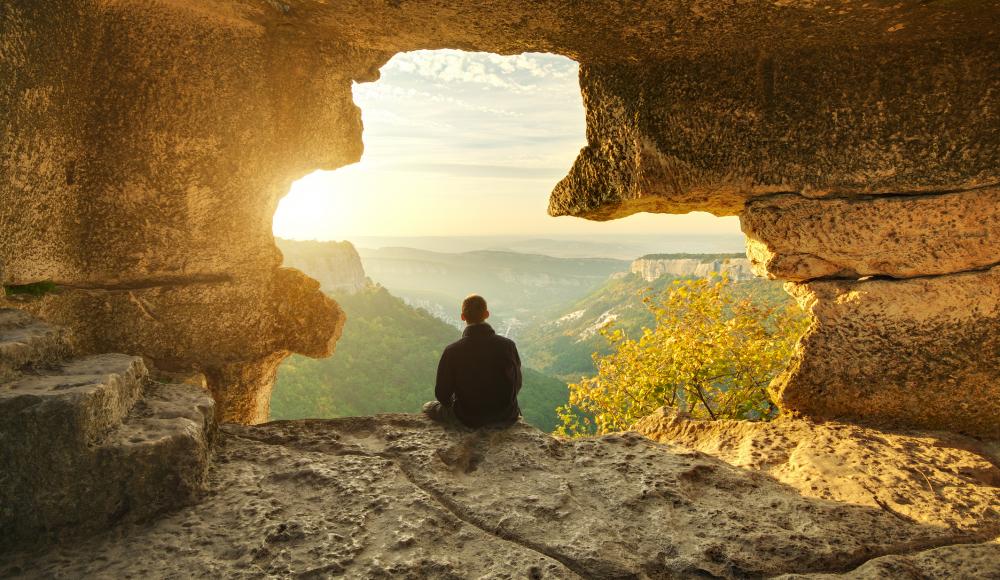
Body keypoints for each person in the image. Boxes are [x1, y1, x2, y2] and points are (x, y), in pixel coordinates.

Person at [424, 294, 522, 428]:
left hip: (468, 417)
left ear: (463, 317)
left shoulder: (452, 351)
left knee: (429, 406)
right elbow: (517, 384)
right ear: (486, 314)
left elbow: (442, 394)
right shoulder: (508, 346)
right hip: (505, 416)